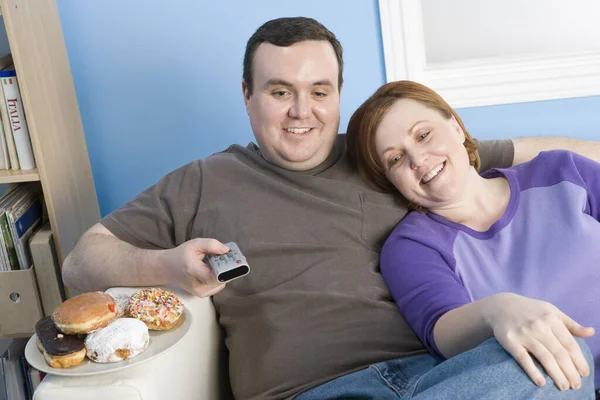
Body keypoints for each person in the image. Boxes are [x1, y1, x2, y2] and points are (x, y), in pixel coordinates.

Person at [62, 17, 600, 400]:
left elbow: (524, 153)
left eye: (320, 91)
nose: (302, 111)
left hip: (443, 378)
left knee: (558, 370)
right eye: (279, 91)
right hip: (312, 390)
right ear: (247, 94)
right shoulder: (202, 182)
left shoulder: (386, 156)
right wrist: (167, 266)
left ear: (339, 94)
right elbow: (81, 261)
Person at [346, 79, 600, 397]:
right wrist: (497, 310)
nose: (418, 159)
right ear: (390, 180)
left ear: (455, 127)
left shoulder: (562, 171)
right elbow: (442, 331)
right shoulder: (412, 247)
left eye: (423, 135)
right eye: (395, 159)